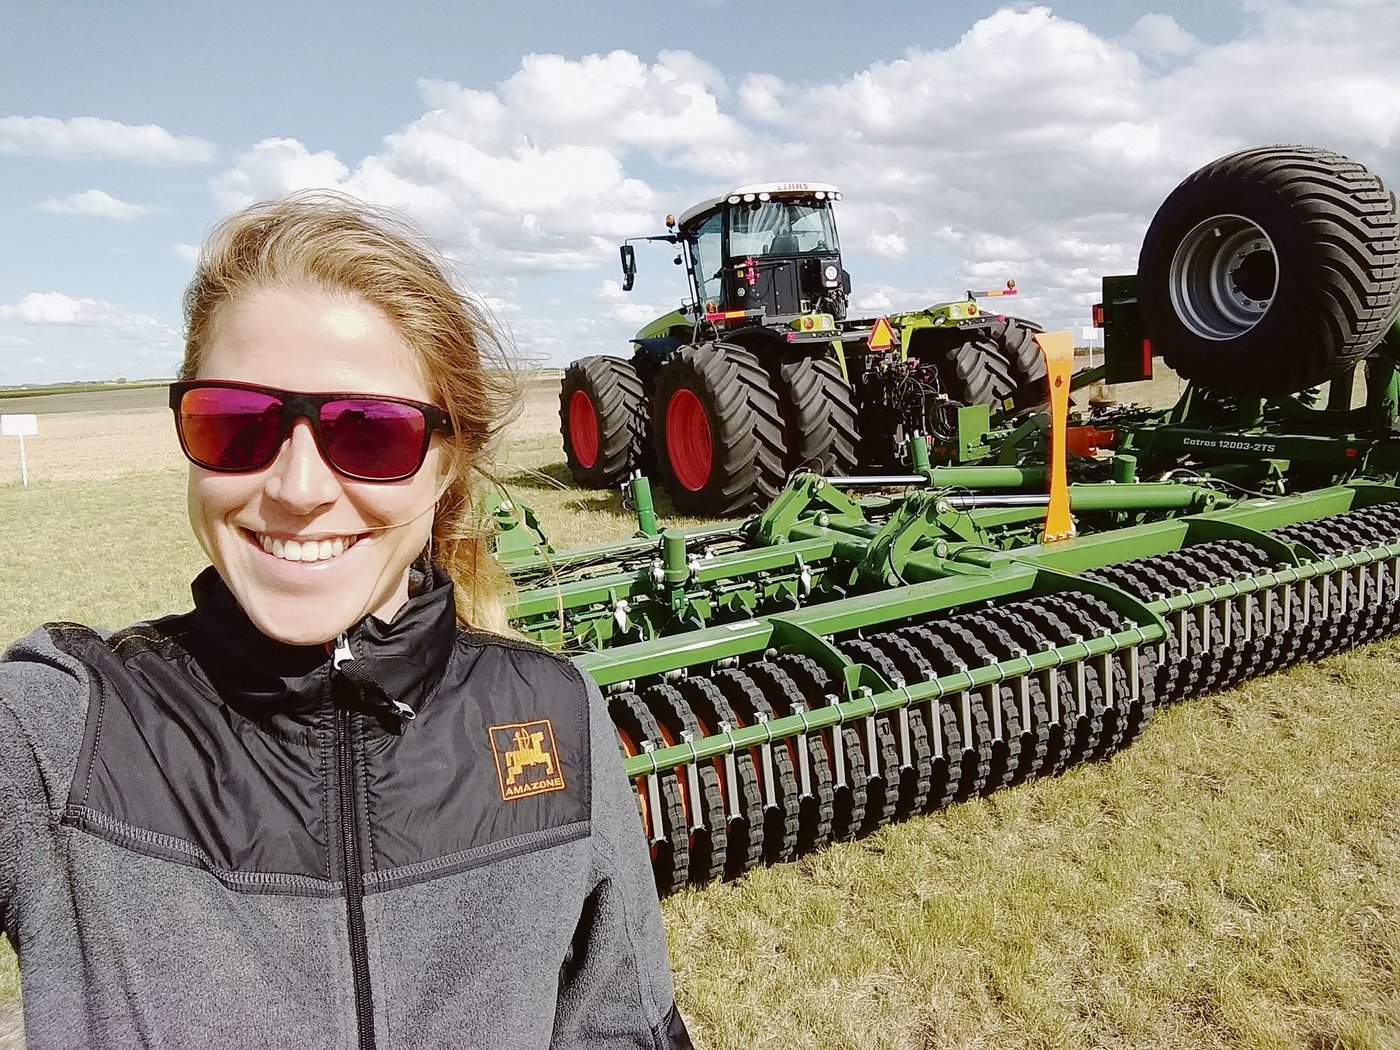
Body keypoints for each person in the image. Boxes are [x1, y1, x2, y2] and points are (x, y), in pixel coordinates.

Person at [0, 193, 693, 1049]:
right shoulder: (67, 739)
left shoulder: (556, 717)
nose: (297, 489)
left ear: (447, 463)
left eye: (371, 435)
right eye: (236, 423)